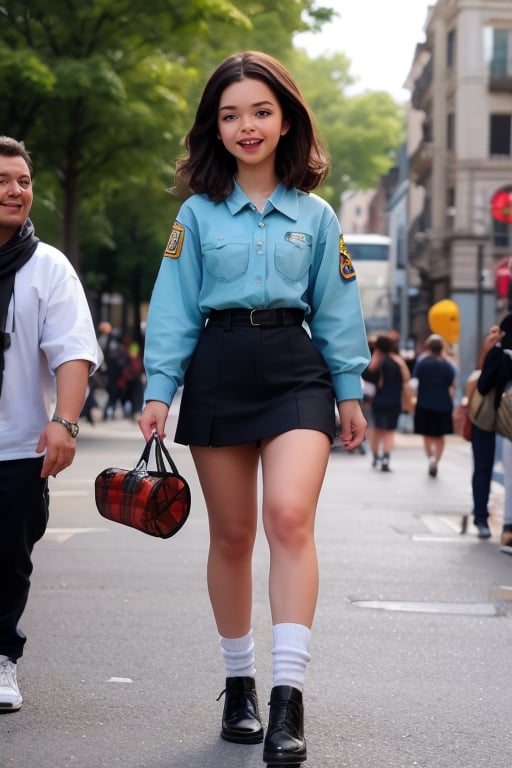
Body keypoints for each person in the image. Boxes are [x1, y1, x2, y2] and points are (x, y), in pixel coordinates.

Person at [138, 51, 370, 765]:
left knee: (289, 520)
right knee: (233, 537)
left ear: (286, 118)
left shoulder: (317, 213)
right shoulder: (197, 214)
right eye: (231, 114)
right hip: (219, 365)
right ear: (215, 126)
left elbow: (337, 307)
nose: (246, 125)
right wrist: (157, 388)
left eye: (261, 111)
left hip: (297, 371)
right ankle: (239, 682)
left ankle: (286, 699)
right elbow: (174, 307)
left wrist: (352, 388)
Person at [0, 136, 100, 711]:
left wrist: (64, 421)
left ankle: (2, 658)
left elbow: (72, 351)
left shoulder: (48, 267)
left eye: (24, 181)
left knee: (9, 559)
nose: (16, 191)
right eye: (3, 181)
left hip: (18, 446)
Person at [477, 314, 512, 550]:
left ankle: (507, 527)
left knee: (506, 472)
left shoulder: (502, 352)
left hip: (504, 419)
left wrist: (490, 349)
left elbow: (483, 384)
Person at [464, 325, 502, 539]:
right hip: (486, 415)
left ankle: (481, 515)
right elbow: (484, 377)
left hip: (487, 415)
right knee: (483, 466)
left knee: (483, 467)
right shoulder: (495, 347)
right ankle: (480, 514)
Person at [362, 334, 411, 472]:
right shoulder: (398, 362)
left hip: (378, 401)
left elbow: (366, 377)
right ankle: (386, 458)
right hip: (394, 401)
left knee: (377, 430)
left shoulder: (376, 362)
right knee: (389, 432)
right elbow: (406, 379)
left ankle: (375, 457)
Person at [412, 334, 456, 478]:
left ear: (428, 347)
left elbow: (414, 383)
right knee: (440, 435)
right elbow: (453, 384)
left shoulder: (422, 362)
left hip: (424, 403)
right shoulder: (448, 364)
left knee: (427, 434)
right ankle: (436, 459)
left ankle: (430, 456)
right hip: (444, 404)